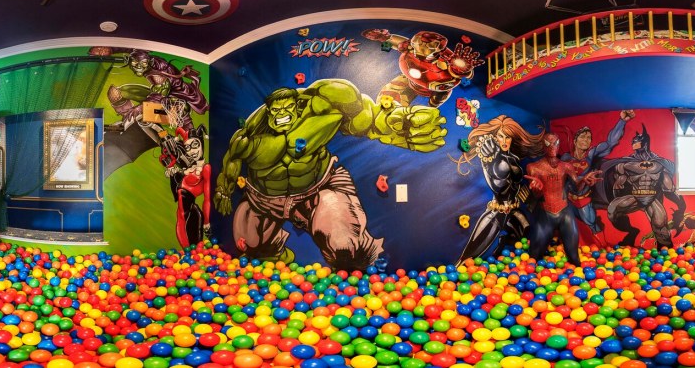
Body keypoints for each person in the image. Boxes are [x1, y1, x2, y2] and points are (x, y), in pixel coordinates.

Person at [216, 79, 447, 271]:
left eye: (287, 109)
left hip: (319, 186)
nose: (282, 115)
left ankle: (355, 296)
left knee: (347, 246)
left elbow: (365, 116)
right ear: (268, 111)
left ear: (297, 107)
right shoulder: (249, 137)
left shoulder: (324, 103)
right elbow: (231, 162)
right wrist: (223, 191)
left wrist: (391, 122)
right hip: (264, 198)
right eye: (276, 111)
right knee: (253, 249)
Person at [453, 116, 545, 265]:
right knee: (468, 257)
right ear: (495, 138)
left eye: (507, 137)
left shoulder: (514, 158)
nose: (504, 141)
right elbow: (497, 182)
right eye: (500, 136)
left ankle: (501, 251)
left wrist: (533, 192)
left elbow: (517, 183)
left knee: (525, 238)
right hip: (496, 213)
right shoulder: (491, 156)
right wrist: (490, 158)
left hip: (514, 211)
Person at [597, 125, 686, 248]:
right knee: (612, 211)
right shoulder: (626, 164)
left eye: (636, 142)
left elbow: (669, 188)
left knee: (660, 227)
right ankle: (631, 231)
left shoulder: (660, 164)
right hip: (633, 197)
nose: (633, 144)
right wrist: (617, 192)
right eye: (633, 142)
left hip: (651, 199)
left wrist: (681, 205)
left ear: (644, 143)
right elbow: (618, 185)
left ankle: (667, 254)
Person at [524, 133, 600, 265]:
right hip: (545, 213)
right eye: (548, 143)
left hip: (565, 212)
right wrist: (537, 189)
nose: (552, 147)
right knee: (534, 258)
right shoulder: (534, 167)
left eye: (556, 143)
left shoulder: (566, 166)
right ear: (543, 146)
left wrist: (584, 180)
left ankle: (579, 279)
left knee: (574, 257)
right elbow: (536, 196)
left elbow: (576, 188)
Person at [559, 110, 634, 235]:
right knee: (566, 229)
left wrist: (622, 121)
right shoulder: (566, 158)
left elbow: (610, 143)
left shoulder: (591, 155)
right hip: (567, 201)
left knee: (591, 227)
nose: (586, 140)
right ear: (575, 141)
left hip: (584, 201)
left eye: (589, 138)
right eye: (582, 137)